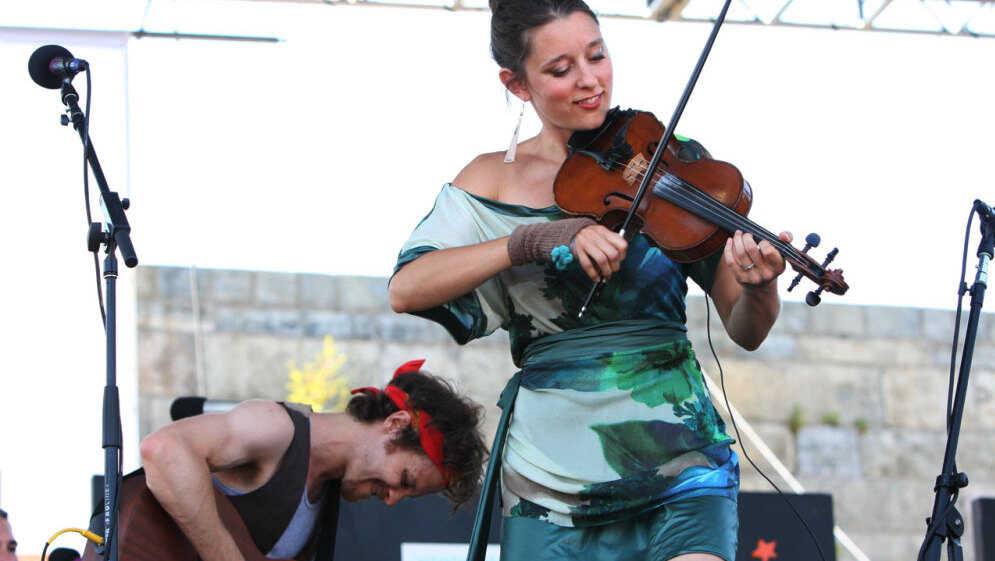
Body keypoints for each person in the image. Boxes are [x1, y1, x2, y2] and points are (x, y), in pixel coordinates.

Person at [387, 2, 791, 560]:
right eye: (560, 70)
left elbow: (746, 330)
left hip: (679, 455)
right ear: (517, 84)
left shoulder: (670, 160)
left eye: (597, 56)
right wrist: (529, 241)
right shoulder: (491, 180)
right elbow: (407, 287)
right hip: (551, 472)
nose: (590, 81)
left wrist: (758, 285)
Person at [140, 360, 487, 561]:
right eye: (405, 480)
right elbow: (164, 449)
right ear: (395, 425)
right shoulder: (276, 428)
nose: (393, 499)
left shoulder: (328, 496)